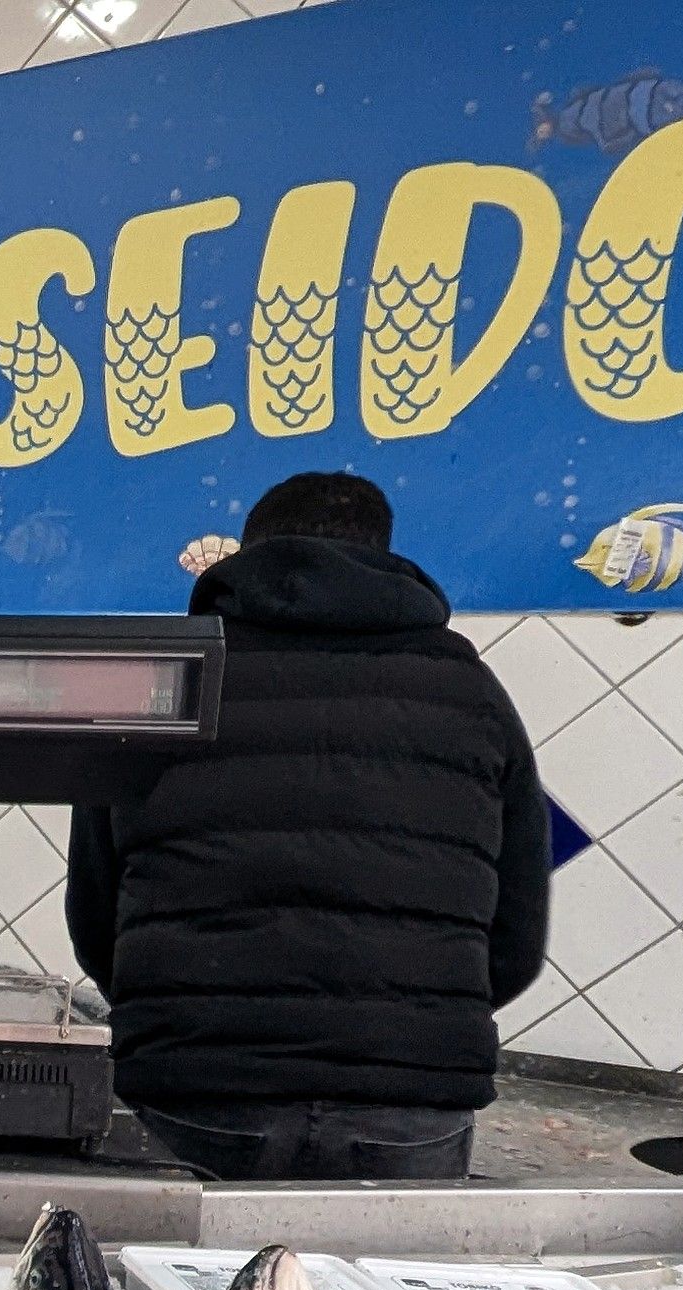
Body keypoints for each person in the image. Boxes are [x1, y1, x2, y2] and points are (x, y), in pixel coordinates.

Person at [65, 472, 549, 1182]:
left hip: (197, 1089)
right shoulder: (473, 694)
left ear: (248, 553)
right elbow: (516, 938)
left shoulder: (166, 682)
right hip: (407, 1103)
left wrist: (187, 1011)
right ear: (385, 554)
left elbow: (94, 916)